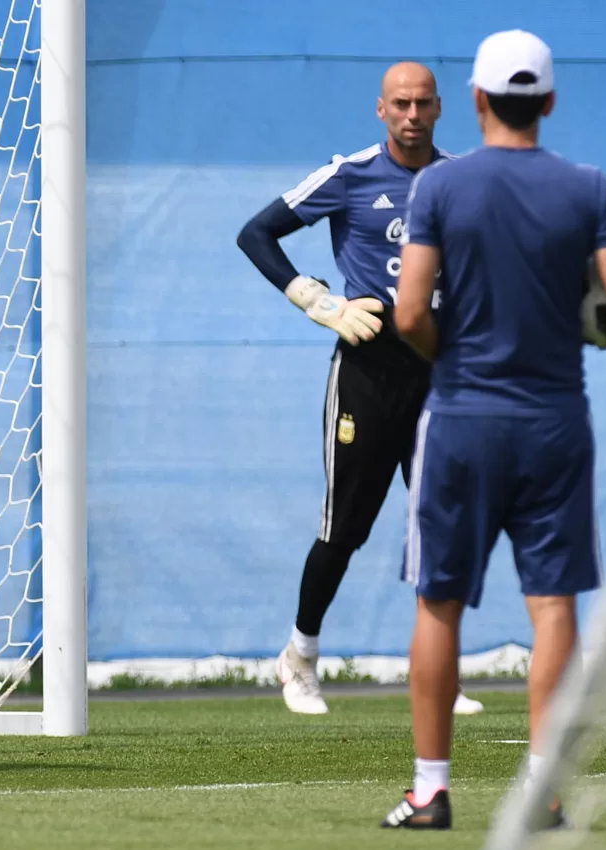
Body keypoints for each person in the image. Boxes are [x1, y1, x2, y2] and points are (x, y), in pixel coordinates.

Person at [381, 30, 606, 829]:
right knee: (553, 609)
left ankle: (430, 791)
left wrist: (455, 357)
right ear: (546, 101)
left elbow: (408, 313)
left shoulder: (439, 188)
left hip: (462, 419)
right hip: (554, 423)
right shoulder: (587, 190)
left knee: (439, 604)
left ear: (473, 100)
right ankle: (547, 794)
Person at [236, 62, 483, 717]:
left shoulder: (459, 181)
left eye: (422, 103)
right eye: (399, 103)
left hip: (438, 370)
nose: (411, 114)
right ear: (381, 109)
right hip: (367, 372)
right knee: (345, 529)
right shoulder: (349, 174)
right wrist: (316, 300)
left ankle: (437, 672)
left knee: (440, 524)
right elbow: (255, 233)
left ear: (438, 110)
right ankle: (300, 659)